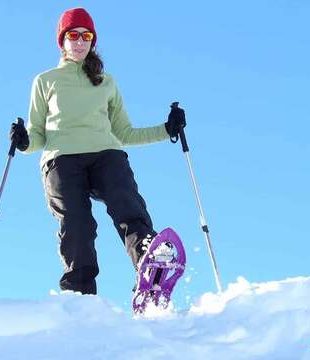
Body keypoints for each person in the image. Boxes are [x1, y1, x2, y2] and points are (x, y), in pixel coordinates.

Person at [9, 7, 186, 295]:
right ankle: (79, 293)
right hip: (61, 160)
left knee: (125, 202)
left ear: (92, 41)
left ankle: (148, 265)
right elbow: (38, 136)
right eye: (73, 35)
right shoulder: (46, 81)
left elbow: (125, 133)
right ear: (62, 40)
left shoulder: (106, 82)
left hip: (106, 154)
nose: (80, 42)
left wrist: (167, 129)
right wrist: (24, 141)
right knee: (77, 223)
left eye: (86, 36)